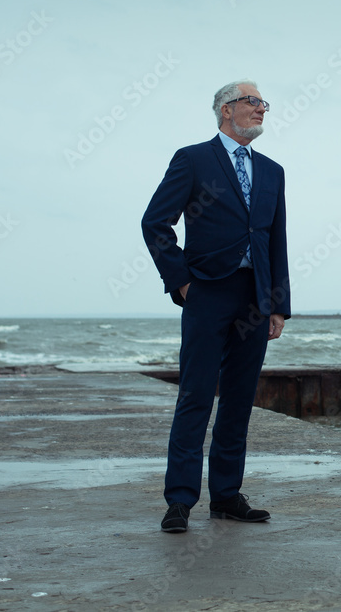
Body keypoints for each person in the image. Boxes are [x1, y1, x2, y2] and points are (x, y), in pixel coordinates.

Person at [141, 79, 290, 532]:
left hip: (255, 297)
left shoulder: (272, 171)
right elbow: (155, 223)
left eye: (264, 103)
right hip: (207, 290)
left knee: (240, 399)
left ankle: (226, 496)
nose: (262, 109)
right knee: (196, 395)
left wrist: (278, 303)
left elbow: (275, 238)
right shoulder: (193, 159)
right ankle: (180, 500)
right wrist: (182, 282)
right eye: (253, 101)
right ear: (227, 110)